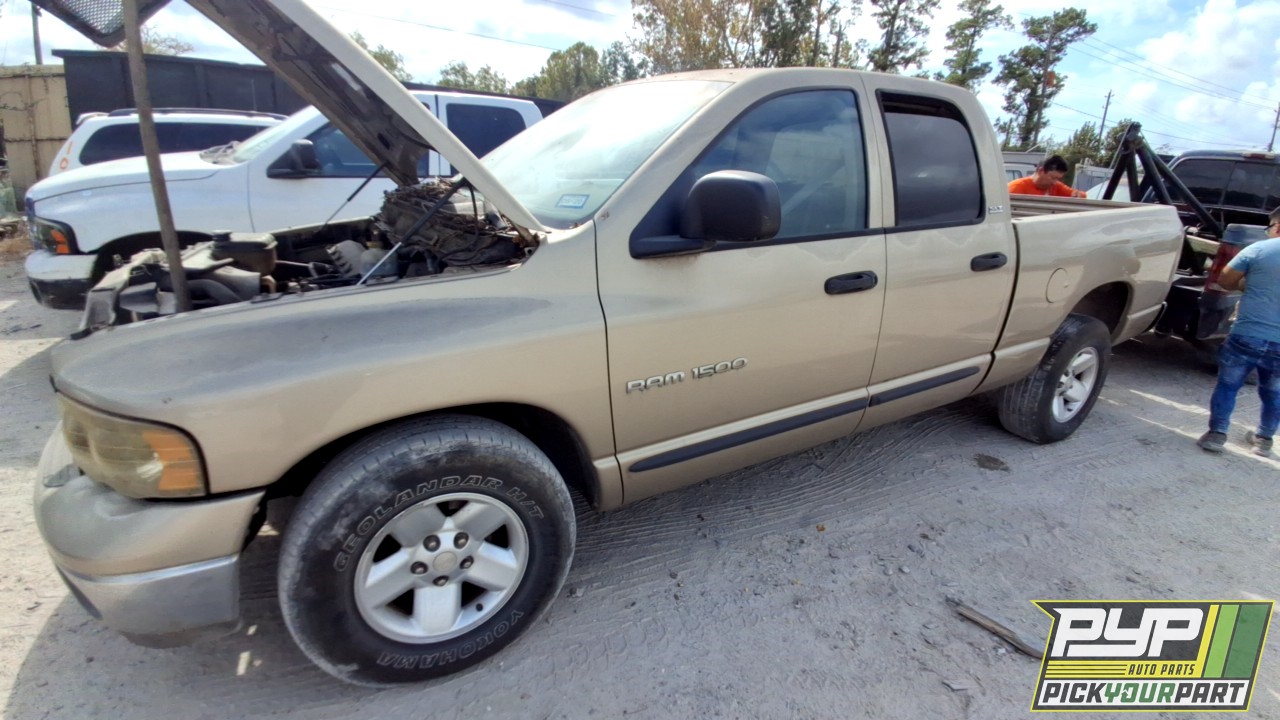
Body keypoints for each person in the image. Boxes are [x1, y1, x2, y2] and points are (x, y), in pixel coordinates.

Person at [1197, 207, 1280, 457]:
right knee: (1274, 391)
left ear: (1277, 226)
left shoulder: (1258, 250)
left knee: (1228, 385)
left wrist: (1249, 284)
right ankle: (1264, 439)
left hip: (1247, 334)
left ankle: (1217, 434)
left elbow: (1225, 280)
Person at [1007, 155, 1087, 198]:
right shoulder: (1017, 187)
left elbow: (1081, 195)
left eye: (1058, 179)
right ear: (1041, 171)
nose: (1054, 182)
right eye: (1052, 178)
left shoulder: (1056, 187)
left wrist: (1078, 194)